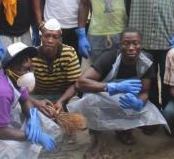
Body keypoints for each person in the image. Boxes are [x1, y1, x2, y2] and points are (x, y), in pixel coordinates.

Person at [68, 29, 167, 157]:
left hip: (126, 99)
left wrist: (139, 102)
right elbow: (80, 83)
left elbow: (145, 91)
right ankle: (97, 135)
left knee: (149, 119)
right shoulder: (110, 57)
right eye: (126, 44)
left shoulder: (146, 61)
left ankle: (123, 130)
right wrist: (111, 87)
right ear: (120, 45)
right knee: (91, 100)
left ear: (141, 45)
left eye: (135, 43)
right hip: (104, 95)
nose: (131, 48)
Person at [0, 42, 59, 158]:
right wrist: (30, 136)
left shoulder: (16, 79)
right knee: (10, 150)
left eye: (29, 67)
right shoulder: (3, 92)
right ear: (9, 68)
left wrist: (33, 117)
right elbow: (1, 132)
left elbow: (25, 100)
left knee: (38, 120)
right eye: (23, 68)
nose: (28, 72)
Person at [30, 19, 81, 117]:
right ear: (41, 37)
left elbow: (75, 84)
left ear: (60, 40)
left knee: (78, 105)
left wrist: (61, 102)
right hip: (39, 96)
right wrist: (36, 102)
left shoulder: (69, 53)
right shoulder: (32, 55)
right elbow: (23, 89)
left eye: (55, 37)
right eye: (47, 36)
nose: (50, 40)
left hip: (63, 95)